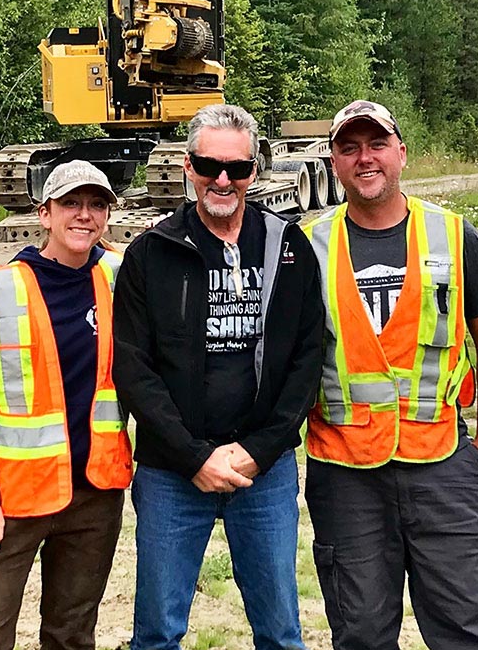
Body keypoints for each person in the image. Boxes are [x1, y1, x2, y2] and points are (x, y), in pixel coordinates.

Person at [112, 103, 324, 650]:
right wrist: (193, 457)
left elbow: (306, 361)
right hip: (171, 472)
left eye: (238, 167)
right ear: (188, 167)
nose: (223, 179)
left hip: (265, 470)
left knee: (279, 631)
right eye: (209, 166)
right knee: (158, 631)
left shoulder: (290, 249)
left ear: (256, 171)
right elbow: (133, 367)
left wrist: (261, 449)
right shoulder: (151, 253)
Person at [303, 100, 478, 650]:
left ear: (400, 153)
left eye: (376, 145)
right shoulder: (309, 248)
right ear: (333, 161)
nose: (364, 158)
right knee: (362, 636)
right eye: (349, 148)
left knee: (465, 632)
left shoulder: (453, 234)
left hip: (444, 466)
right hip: (344, 473)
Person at [0, 160, 133, 650]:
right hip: (13, 498)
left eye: (96, 205)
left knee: (71, 634)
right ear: (45, 213)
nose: (84, 216)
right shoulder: (2, 290)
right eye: (71, 203)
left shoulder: (119, 278)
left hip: (94, 494)